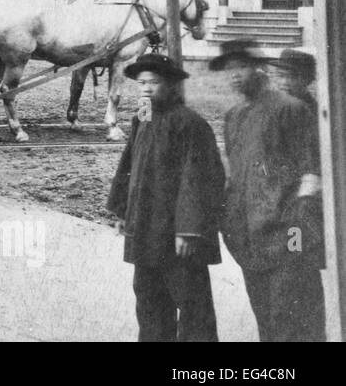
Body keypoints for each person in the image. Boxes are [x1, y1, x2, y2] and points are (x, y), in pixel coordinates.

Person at [211, 39, 325, 342]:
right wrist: (230, 224)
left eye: (242, 67)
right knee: (266, 322)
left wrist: (296, 233)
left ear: (259, 68)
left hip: (286, 237)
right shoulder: (233, 117)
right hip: (250, 239)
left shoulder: (291, 109)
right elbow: (237, 175)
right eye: (229, 69)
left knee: (292, 318)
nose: (235, 75)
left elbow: (310, 172)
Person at [107, 53, 226, 342]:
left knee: (192, 305)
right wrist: (124, 211)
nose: (146, 89)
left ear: (171, 85)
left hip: (177, 234)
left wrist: (188, 229)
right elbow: (130, 166)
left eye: (154, 82)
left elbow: (197, 179)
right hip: (146, 228)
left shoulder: (190, 124)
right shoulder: (142, 118)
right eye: (141, 83)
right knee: (149, 302)